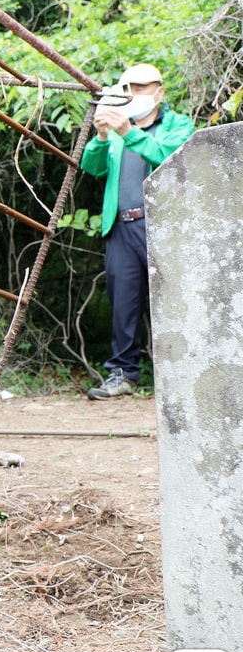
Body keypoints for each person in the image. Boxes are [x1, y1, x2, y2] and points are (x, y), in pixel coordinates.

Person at [79, 63, 193, 400]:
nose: (134, 94)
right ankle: (124, 374)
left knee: (174, 302)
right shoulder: (117, 128)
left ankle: (181, 378)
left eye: (142, 88)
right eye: (128, 88)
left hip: (166, 226)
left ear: (160, 92)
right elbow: (92, 167)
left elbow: (171, 160)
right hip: (121, 225)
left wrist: (128, 131)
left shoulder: (177, 124)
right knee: (123, 305)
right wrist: (101, 136)